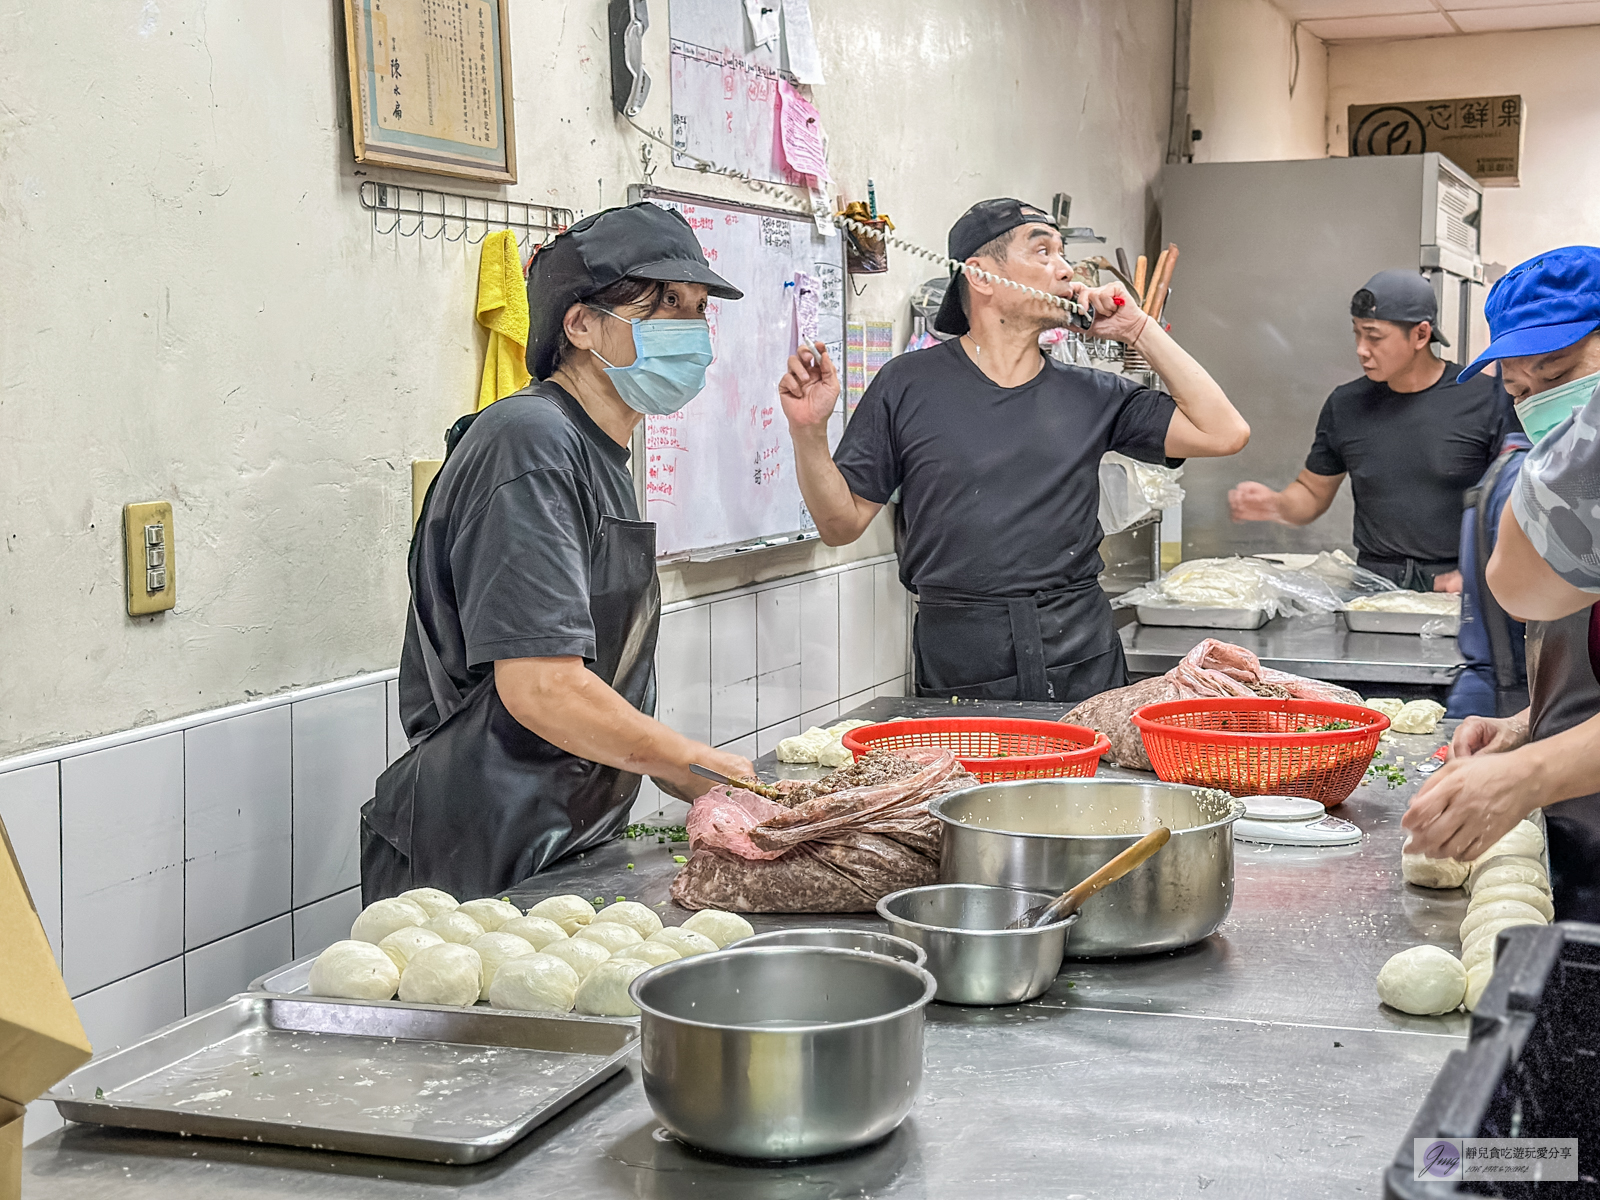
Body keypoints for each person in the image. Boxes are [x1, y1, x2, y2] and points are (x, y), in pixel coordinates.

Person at [361, 203, 756, 903]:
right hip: (476, 853)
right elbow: (540, 686)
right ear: (579, 324)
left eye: (698, 312)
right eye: (665, 307)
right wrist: (694, 768)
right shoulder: (531, 441)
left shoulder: (600, 453)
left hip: (560, 836)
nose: (691, 335)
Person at [779, 198, 1250, 704]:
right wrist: (809, 434)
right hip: (962, 652)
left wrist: (1138, 329)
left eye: (1061, 253)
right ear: (980, 276)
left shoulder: (1093, 393)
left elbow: (1224, 433)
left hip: (1080, 648)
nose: (1065, 269)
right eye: (1043, 251)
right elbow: (839, 525)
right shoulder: (907, 384)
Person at [1402, 245, 1600, 921]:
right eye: (1520, 392)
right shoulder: (1570, 492)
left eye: (1562, 373)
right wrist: (1528, 727)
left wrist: (1529, 773)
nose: (1544, 405)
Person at [1228, 270, 1515, 593]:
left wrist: (1485, 571)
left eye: (1374, 337)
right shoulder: (1346, 405)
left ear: (1421, 335)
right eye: (1357, 334)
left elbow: (1515, 502)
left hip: (1459, 587)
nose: (1361, 349)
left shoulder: (1485, 399)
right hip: (1373, 589)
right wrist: (1277, 504)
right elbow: (1311, 493)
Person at [1443, 428, 1530, 719]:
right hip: (1508, 699)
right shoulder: (1532, 474)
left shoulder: (1513, 463)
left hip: (1494, 696)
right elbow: (1525, 604)